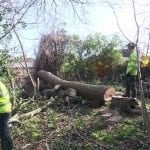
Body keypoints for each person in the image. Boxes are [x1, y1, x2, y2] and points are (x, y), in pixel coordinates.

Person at [0, 80, 13, 150]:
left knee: (4, 132)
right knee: (2, 132)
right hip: (4, 110)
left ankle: (9, 148)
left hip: (3, 112)